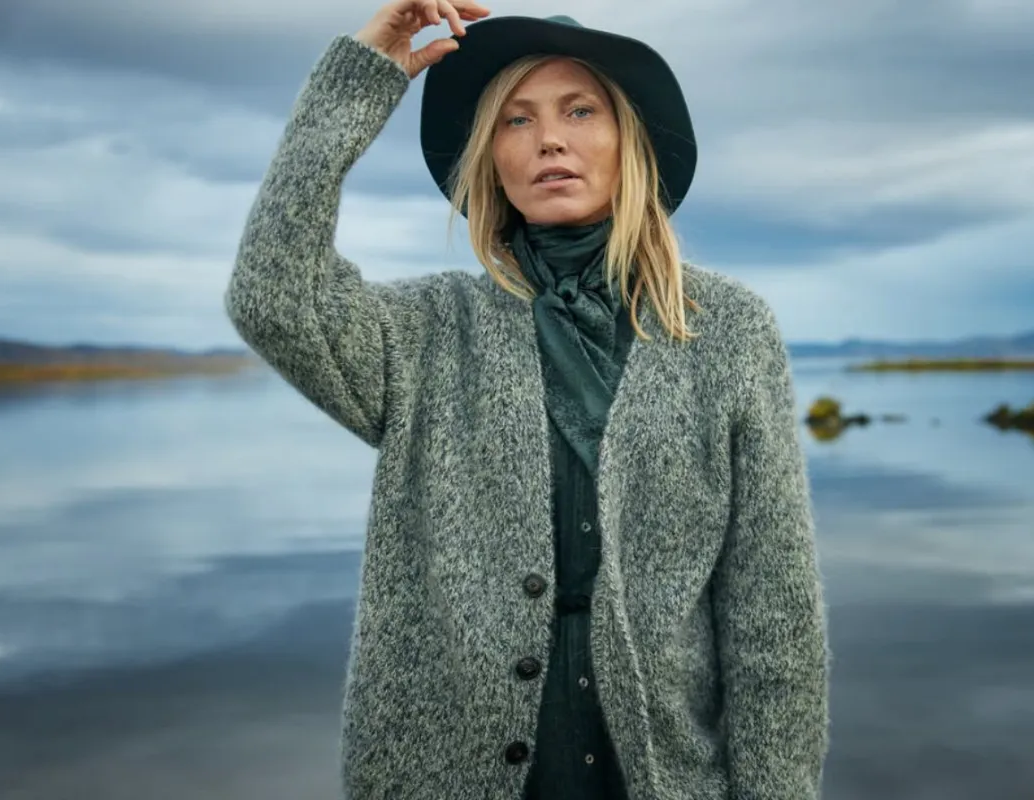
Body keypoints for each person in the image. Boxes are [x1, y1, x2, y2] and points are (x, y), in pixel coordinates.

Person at [225, 1, 829, 798]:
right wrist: (358, 80)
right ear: (491, 161)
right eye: (515, 121)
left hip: (662, 773)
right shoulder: (427, 332)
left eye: (580, 111)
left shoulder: (729, 330)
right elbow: (273, 294)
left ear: (629, 142)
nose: (549, 139)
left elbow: (771, 616)